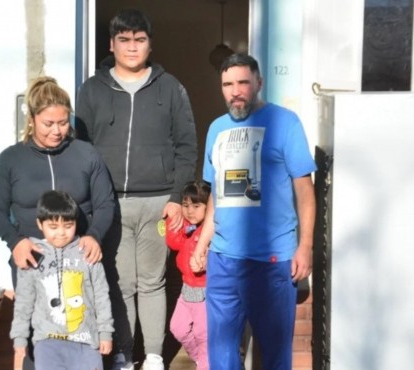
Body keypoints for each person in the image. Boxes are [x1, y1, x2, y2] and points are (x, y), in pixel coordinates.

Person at [75, 9, 197, 370]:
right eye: (124, 40)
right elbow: (81, 148)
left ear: (149, 44)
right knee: (121, 283)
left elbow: (187, 145)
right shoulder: (93, 89)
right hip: (109, 204)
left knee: (153, 282)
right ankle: (126, 356)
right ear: (112, 44)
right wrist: (91, 203)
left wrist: (176, 198)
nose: (132, 47)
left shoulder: (170, 87)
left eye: (139, 40)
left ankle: (155, 356)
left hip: (159, 203)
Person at [191, 54, 316, 370]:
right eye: (228, 84)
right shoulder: (216, 129)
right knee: (220, 356)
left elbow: (305, 191)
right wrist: (202, 244)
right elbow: (216, 197)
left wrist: (305, 247)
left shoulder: (285, 122)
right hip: (223, 262)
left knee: (274, 356)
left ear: (259, 83)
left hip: (271, 261)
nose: (236, 91)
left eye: (243, 82)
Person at [0, 76, 116, 369]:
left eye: (63, 122)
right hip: (31, 259)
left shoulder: (86, 154)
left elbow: (106, 203)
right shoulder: (10, 159)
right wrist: (15, 241)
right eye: (49, 124)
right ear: (32, 119)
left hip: (78, 259)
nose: (58, 131)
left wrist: (94, 235)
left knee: (81, 322)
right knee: (38, 329)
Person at [10, 190, 114, 370]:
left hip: (86, 342)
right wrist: (20, 336)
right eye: (53, 226)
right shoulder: (33, 254)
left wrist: (105, 333)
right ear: (40, 224)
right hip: (47, 344)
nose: (61, 233)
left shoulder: (87, 251)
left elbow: (101, 296)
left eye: (68, 225)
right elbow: (24, 301)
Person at [165, 181, 210, 370]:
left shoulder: (210, 231)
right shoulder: (186, 227)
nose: (190, 211)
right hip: (186, 289)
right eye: (186, 205)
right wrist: (172, 218)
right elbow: (173, 243)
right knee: (177, 327)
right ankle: (200, 358)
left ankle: (205, 364)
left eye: (196, 205)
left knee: (203, 334)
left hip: (205, 291)